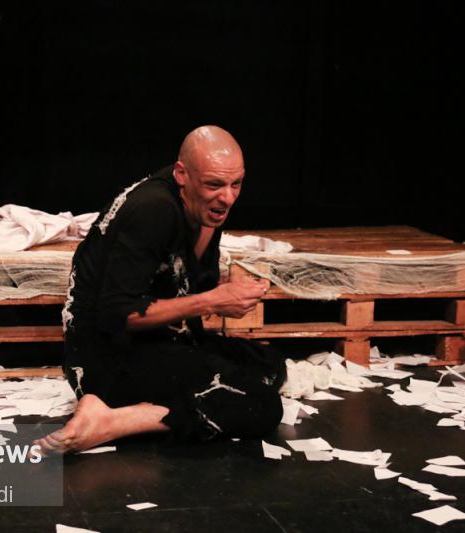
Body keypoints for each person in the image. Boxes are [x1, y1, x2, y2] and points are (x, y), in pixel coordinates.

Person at [35, 125, 286, 454]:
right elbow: (117, 315)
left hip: (161, 341)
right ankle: (113, 420)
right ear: (182, 174)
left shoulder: (202, 207)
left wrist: (228, 296)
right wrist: (212, 301)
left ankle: (142, 406)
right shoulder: (153, 210)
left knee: (270, 365)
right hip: (107, 359)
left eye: (235, 184)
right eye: (214, 185)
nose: (227, 197)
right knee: (262, 404)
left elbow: (191, 284)